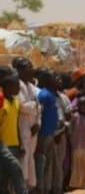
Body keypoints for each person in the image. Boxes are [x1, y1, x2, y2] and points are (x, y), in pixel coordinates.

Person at [12, 57, 40, 190]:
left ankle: (29, 186)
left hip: (33, 126)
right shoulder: (16, 85)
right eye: (29, 67)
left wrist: (38, 123)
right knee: (23, 159)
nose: (32, 69)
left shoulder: (31, 86)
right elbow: (23, 106)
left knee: (30, 158)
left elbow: (38, 107)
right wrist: (36, 104)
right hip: (22, 126)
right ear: (20, 70)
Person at [1, 70, 27, 194]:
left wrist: (20, 142)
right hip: (3, 145)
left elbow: (16, 123)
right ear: (7, 87)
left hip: (14, 144)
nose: (19, 89)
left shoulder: (16, 101)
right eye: (16, 86)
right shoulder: (1, 103)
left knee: (4, 178)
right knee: (16, 167)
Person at [36, 70, 60, 193]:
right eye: (53, 77)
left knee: (49, 164)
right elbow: (39, 115)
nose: (57, 79)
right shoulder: (44, 95)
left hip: (51, 133)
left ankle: (47, 188)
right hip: (43, 134)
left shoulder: (51, 94)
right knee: (42, 163)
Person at [68, 96, 85, 190]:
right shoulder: (75, 116)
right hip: (78, 147)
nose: (84, 107)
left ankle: (84, 189)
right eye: (82, 105)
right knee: (77, 171)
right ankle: (75, 189)